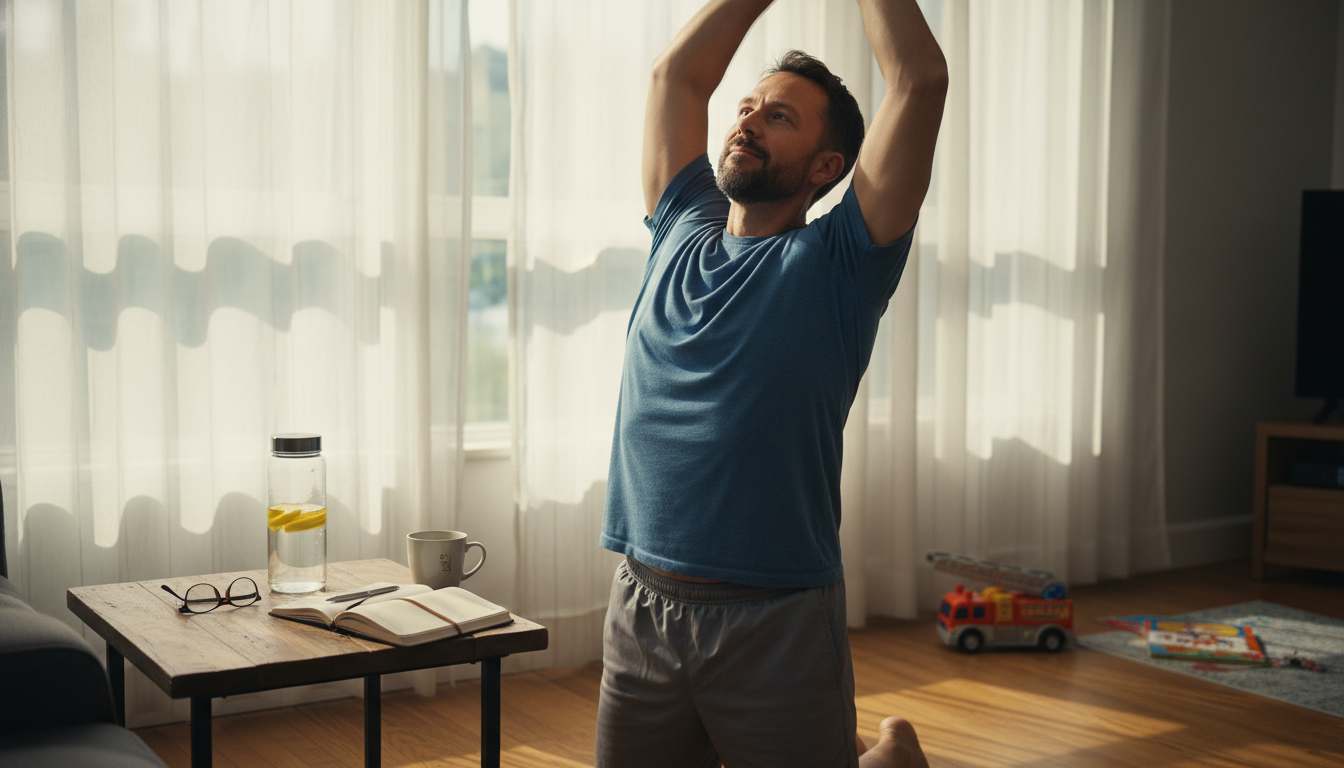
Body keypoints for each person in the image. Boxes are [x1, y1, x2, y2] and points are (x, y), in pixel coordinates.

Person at [597, 0, 946, 766]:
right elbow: (678, 77)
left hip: (775, 617)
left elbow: (919, 81)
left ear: (827, 168)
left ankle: (890, 752)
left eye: (780, 117)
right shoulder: (681, 222)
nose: (748, 120)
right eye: (748, 106)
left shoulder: (841, 264)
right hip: (641, 604)